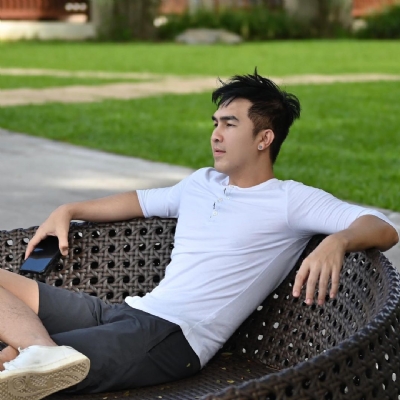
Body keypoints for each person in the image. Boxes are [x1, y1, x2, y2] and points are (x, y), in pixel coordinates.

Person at [0, 71, 398, 400]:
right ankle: (42, 351)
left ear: (264, 139)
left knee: (10, 364)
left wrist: (337, 241)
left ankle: (35, 354)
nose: (216, 134)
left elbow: (383, 226)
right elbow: (139, 201)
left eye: (230, 124)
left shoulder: (288, 200)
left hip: (171, 339)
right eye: (215, 123)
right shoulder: (201, 183)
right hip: (125, 312)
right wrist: (70, 209)